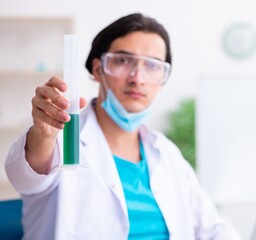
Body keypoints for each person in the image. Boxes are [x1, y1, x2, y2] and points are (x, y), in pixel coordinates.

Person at [5, 13, 241, 240]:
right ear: (98, 69)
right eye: (123, 60)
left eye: (152, 66)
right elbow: (26, 178)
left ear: (162, 79)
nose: (138, 78)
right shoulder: (63, 140)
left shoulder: (168, 155)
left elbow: (213, 228)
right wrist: (42, 136)